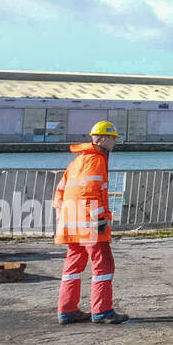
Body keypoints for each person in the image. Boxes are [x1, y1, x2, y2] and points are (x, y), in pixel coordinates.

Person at [52, 121, 128, 324]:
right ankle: (102, 311)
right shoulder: (97, 160)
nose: (114, 143)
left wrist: (65, 219)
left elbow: (60, 193)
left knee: (72, 267)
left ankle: (67, 310)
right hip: (91, 222)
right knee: (104, 264)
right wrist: (101, 223)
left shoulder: (77, 161)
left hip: (72, 222)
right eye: (112, 139)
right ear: (102, 138)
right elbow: (93, 193)